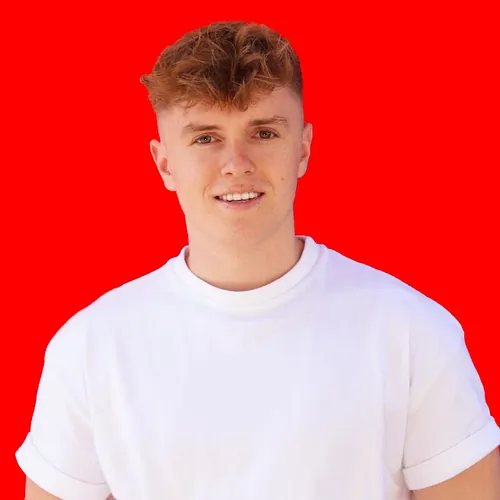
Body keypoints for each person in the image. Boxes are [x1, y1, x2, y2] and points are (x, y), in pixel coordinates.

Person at [16, 20, 500, 500]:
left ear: (303, 149)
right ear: (164, 163)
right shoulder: (90, 349)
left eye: (264, 133)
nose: (236, 164)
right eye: (205, 138)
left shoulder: (412, 332)